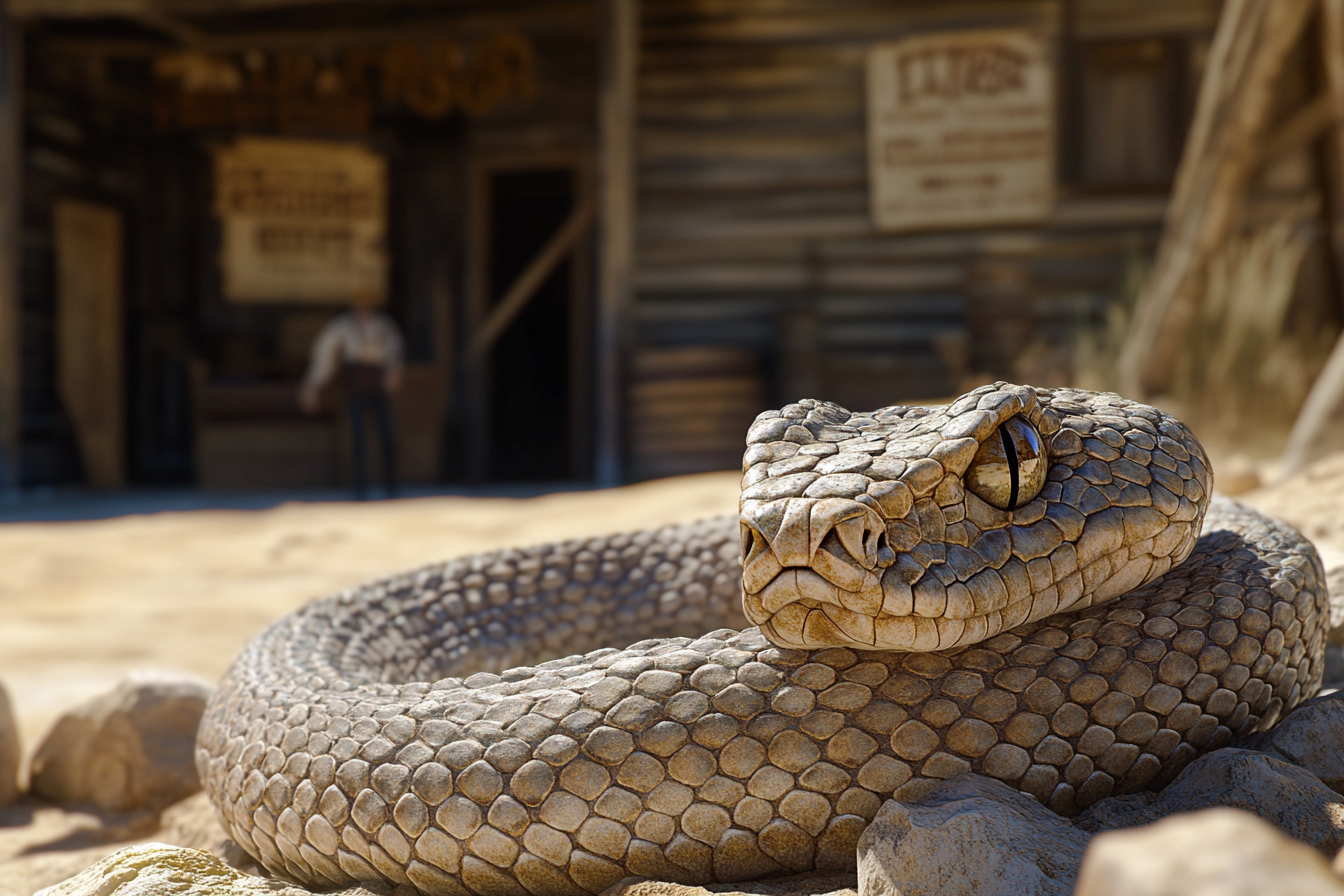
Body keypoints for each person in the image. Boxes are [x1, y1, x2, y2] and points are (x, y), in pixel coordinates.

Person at [299, 297, 404, 499]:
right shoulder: (342, 326)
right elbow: (324, 355)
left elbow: (395, 349)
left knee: (387, 436)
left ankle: (392, 488)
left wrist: (394, 370)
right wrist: (312, 384)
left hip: (377, 383)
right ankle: (359, 490)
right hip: (356, 385)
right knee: (358, 439)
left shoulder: (382, 324)